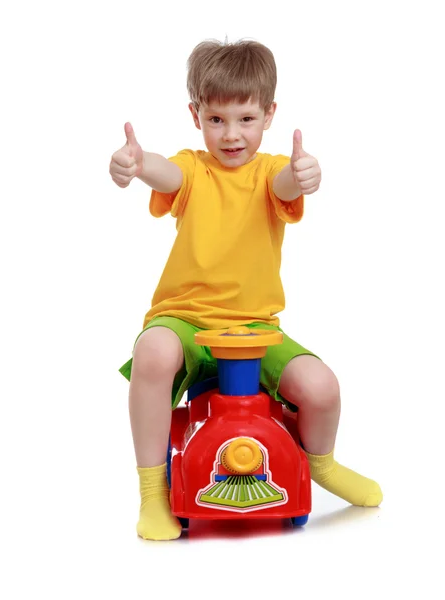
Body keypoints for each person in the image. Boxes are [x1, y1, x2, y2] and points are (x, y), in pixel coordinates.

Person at [109, 39, 383, 541]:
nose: (231, 135)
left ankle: (319, 463)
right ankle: (152, 492)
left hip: (255, 329)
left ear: (269, 113)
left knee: (322, 388)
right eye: (217, 120)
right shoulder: (192, 168)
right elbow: (164, 171)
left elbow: (284, 186)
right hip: (185, 321)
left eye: (246, 119)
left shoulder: (269, 172)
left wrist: (304, 175)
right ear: (196, 116)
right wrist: (136, 161)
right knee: (151, 352)